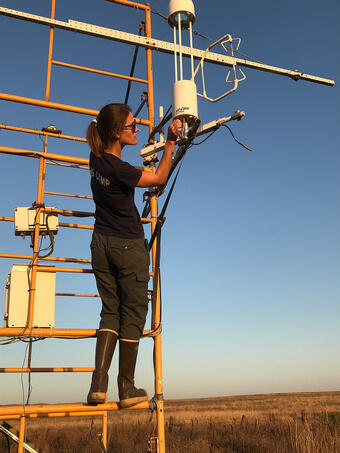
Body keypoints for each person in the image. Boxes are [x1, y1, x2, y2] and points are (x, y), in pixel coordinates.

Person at [86, 103, 182, 407]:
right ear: (116, 133)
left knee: (110, 310)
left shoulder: (97, 157)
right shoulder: (120, 170)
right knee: (133, 313)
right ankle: (126, 388)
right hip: (127, 245)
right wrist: (170, 142)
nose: (137, 129)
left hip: (100, 242)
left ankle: (98, 384)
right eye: (132, 126)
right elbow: (160, 179)